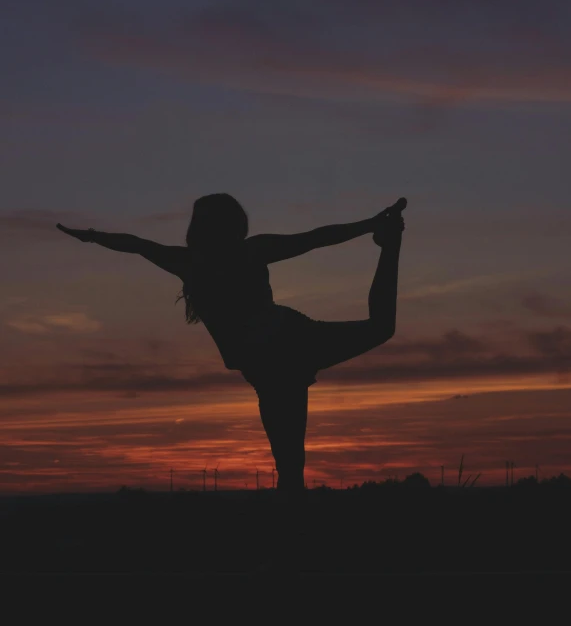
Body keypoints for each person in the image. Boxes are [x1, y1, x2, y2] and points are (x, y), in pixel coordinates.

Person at [56, 193, 405, 497]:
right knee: (291, 465)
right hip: (280, 356)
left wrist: (91, 236)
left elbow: (136, 245)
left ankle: (290, 553)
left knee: (290, 466)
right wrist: (91, 236)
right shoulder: (234, 253)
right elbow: (135, 244)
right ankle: (291, 554)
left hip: (282, 351)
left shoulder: (203, 259)